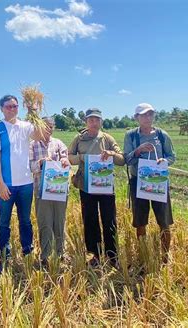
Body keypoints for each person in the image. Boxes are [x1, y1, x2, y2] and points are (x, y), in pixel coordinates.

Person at [0, 94, 45, 275]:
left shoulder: (26, 126)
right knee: (4, 222)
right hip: (6, 185)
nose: (12, 109)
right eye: (8, 107)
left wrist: (34, 113)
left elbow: (41, 135)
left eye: (14, 106)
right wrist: (1, 183)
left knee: (26, 221)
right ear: (2, 109)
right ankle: (4, 259)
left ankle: (28, 254)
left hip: (26, 183)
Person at [68, 109, 125, 267]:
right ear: (86, 121)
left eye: (97, 119)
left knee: (110, 220)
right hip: (86, 186)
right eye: (91, 120)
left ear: (101, 122)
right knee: (90, 219)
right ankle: (94, 254)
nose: (94, 122)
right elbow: (68, 158)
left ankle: (112, 255)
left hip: (106, 187)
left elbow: (122, 160)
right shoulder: (79, 139)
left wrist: (112, 154)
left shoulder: (107, 138)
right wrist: (81, 157)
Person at [124, 103, 175, 266]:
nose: (148, 118)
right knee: (140, 221)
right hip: (138, 182)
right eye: (144, 115)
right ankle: (143, 255)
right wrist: (138, 150)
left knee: (164, 221)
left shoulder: (162, 135)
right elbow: (127, 159)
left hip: (159, 182)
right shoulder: (131, 136)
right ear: (136, 118)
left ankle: (165, 258)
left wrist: (164, 161)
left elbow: (172, 156)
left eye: (150, 114)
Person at [29, 117, 70, 268]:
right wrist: (39, 163)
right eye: (46, 126)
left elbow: (66, 158)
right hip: (41, 190)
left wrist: (65, 161)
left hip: (59, 191)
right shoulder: (32, 145)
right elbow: (29, 167)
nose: (49, 129)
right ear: (39, 127)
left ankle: (61, 254)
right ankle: (45, 255)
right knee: (45, 222)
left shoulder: (58, 143)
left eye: (51, 126)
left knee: (60, 222)